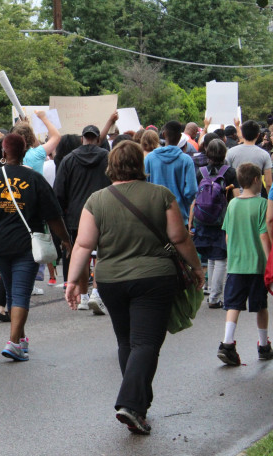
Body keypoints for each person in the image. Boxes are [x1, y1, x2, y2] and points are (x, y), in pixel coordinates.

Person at [65, 140, 203, 435]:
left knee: (127, 341)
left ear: (111, 166)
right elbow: (179, 238)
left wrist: (73, 281)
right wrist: (197, 267)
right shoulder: (161, 195)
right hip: (154, 278)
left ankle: (137, 406)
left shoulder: (97, 200)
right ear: (141, 164)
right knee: (146, 343)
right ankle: (131, 403)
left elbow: (84, 244)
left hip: (111, 281)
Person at [0, 134, 71, 361]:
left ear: (4, 152)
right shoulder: (34, 179)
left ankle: (21, 338)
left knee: (13, 288)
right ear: (24, 152)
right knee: (20, 294)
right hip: (27, 246)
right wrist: (65, 239)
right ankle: (14, 343)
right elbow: (54, 215)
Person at [217, 163, 272, 366]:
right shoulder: (262, 204)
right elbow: (264, 236)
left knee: (233, 304)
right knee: (260, 306)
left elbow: (228, 235)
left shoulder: (232, 204)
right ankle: (264, 345)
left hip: (236, 264)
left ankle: (227, 342)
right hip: (257, 264)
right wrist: (270, 264)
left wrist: (233, 255)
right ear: (257, 180)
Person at [53, 125, 111, 314]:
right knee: (102, 253)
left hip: (77, 214)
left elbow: (59, 191)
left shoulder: (69, 159)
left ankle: (84, 296)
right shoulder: (107, 158)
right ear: (97, 138)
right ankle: (97, 292)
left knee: (83, 253)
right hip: (103, 211)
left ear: (83, 139)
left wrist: (61, 214)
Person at [189, 140, 239, 308]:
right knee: (221, 258)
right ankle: (215, 297)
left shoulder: (200, 173)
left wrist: (191, 223)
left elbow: (196, 199)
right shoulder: (230, 172)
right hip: (223, 220)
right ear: (224, 153)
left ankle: (211, 290)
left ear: (207, 153)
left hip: (203, 219)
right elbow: (237, 197)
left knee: (211, 256)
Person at [144, 121, 198, 224]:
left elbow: (143, 185)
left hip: (155, 216)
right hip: (179, 217)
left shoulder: (150, 159)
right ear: (180, 137)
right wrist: (184, 205)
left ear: (164, 134)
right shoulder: (186, 160)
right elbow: (191, 190)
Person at [225, 119, 273, 195]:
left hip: (236, 197)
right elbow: (268, 183)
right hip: (256, 198)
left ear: (242, 135)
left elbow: (226, 176)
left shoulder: (231, 152)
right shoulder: (264, 154)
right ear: (258, 135)